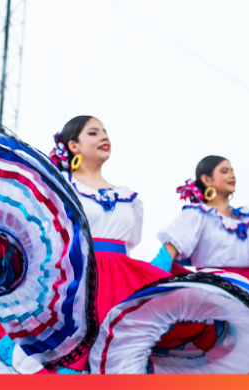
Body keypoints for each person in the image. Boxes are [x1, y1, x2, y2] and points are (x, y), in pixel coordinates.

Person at [48, 115, 171, 371]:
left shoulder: (129, 197)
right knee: (70, 361)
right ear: (74, 146)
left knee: (121, 360)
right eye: (93, 133)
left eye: (105, 132)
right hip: (77, 282)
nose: (104, 136)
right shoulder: (60, 187)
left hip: (120, 283)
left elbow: (129, 243)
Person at [153, 155, 249, 289]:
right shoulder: (196, 215)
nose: (232, 176)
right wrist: (146, 284)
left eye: (232, 171)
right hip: (212, 291)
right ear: (207, 180)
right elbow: (168, 254)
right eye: (225, 171)